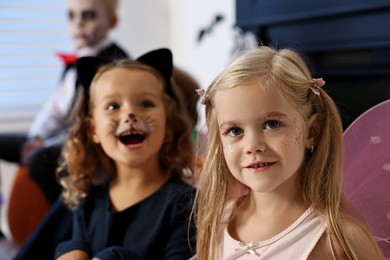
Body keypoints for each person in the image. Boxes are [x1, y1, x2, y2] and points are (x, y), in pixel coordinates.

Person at [192, 46, 384, 259]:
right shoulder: (216, 223)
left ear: (312, 131)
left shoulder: (340, 240)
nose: (253, 145)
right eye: (235, 131)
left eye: (272, 124)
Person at [54, 48, 196, 259]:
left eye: (146, 103)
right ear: (93, 130)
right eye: (113, 106)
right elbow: (78, 242)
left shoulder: (185, 203)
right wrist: (70, 251)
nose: (130, 114)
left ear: (168, 123)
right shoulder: (89, 198)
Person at [0, 0, 129, 205]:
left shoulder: (116, 64)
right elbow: (55, 108)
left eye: (89, 16)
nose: (78, 24)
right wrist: (37, 137)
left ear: (111, 21)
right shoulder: (74, 59)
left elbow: (92, 125)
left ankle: (66, 216)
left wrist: (46, 145)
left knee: (40, 160)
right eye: (71, 16)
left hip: (89, 147)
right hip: (60, 138)